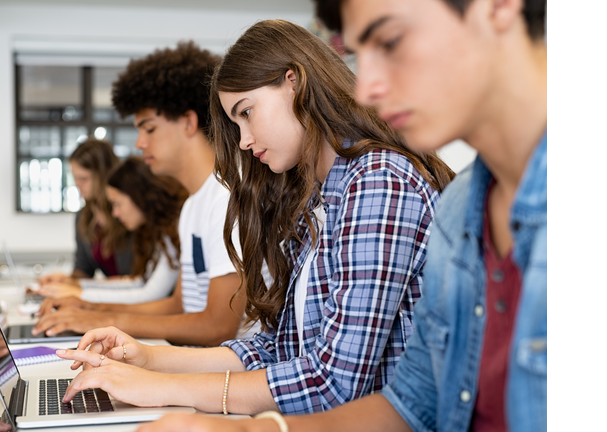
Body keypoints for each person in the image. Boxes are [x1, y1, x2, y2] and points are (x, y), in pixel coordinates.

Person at [136, 0, 547, 430]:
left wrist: (171, 388)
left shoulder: (381, 177)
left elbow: (335, 381)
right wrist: (155, 366)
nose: (366, 86)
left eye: (389, 41)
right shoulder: (462, 204)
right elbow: (411, 401)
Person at [53, 19, 454, 417]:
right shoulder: (315, 196)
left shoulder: (377, 182)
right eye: (235, 123)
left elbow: (332, 383)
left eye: (247, 112)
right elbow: (277, 348)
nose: (243, 140)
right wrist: (148, 359)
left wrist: (159, 387)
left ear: (293, 83)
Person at [32, 41, 249, 347]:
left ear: (188, 123)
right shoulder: (193, 207)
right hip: (195, 362)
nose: (139, 143)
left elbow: (217, 326)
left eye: (148, 129)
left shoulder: (227, 198)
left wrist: (101, 320)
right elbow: (179, 305)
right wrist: (92, 309)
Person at [35, 156, 188, 304]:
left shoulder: (175, 229)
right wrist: (77, 286)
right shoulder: (161, 231)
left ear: (138, 196)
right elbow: (139, 282)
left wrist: (79, 294)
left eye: (117, 204)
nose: (115, 213)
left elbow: (150, 294)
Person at [38, 138, 133, 291]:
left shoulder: (129, 213)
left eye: (83, 179)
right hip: (111, 299)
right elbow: (84, 270)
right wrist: (65, 280)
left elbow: (138, 281)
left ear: (104, 175)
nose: (77, 185)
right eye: (75, 178)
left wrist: (85, 286)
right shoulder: (84, 216)